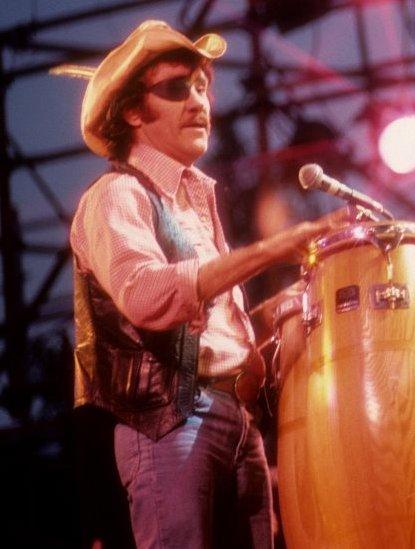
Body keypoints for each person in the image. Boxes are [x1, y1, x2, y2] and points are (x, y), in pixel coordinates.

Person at [66, 21, 338, 548]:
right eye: (175, 88)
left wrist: (277, 315)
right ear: (131, 110)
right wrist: (274, 250)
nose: (198, 101)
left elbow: (207, 333)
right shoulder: (116, 194)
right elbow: (146, 296)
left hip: (236, 421)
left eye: (202, 87)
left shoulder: (193, 202)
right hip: (168, 424)